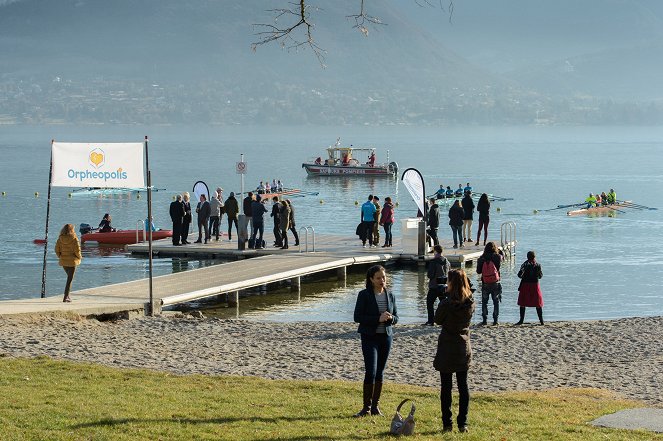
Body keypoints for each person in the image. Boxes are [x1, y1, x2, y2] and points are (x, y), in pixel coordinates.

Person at [353, 265, 399, 417]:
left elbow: (397, 317)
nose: (382, 280)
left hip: (386, 337)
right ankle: (366, 408)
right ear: (371, 279)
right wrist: (377, 319)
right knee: (370, 371)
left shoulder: (390, 295)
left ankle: (375, 407)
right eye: (378, 278)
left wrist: (391, 318)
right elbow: (357, 317)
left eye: (384, 277)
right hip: (369, 337)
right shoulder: (364, 295)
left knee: (380, 372)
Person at [433, 269, 475, 433]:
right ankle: (463, 423)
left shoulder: (446, 303)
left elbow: (437, 320)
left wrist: (443, 298)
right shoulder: (470, 303)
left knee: (446, 387)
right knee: (463, 386)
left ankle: (447, 423)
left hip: (447, 347)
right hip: (463, 346)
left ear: (451, 284)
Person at [476, 242, 503, 325]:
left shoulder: (481, 258)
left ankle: (484, 320)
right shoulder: (497, 257)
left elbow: (478, 271)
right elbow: (498, 267)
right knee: (496, 302)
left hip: (485, 283)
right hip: (495, 282)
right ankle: (495, 321)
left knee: (484, 302)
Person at [55, 223, 82, 303]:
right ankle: (66, 296)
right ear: (72, 230)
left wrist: (60, 256)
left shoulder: (60, 239)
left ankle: (67, 296)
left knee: (69, 278)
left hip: (64, 261)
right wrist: (80, 257)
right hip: (73, 261)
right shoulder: (74, 239)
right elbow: (77, 250)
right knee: (70, 279)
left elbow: (57, 249)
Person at [516, 251, 544, 325]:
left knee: (523, 303)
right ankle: (541, 321)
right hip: (535, 285)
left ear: (527, 257)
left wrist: (525, 276)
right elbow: (540, 276)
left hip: (525, 284)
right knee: (538, 303)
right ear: (534, 257)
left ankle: (521, 321)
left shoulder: (524, 264)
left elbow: (519, 275)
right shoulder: (538, 265)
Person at [426, 244, 450, 325]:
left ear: (436, 251)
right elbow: (449, 273)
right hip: (444, 286)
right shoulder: (447, 261)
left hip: (434, 286)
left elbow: (430, 275)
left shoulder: (433, 262)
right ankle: (444, 320)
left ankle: (431, 321)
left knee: (430, 303)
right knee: (443, 304)